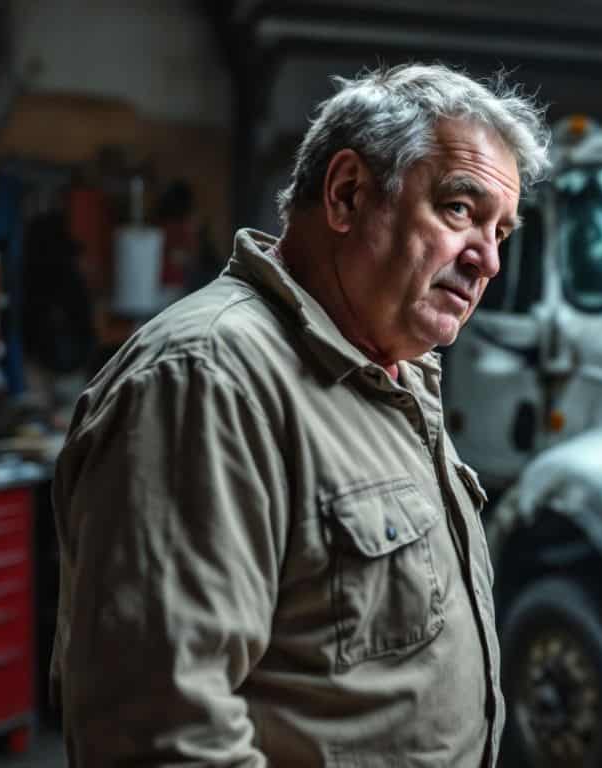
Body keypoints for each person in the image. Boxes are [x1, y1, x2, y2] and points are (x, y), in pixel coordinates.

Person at [51, 63, 550, 766]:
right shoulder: (210, 379)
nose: (488, 261)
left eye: (501, 231)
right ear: (346, 194)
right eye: (460, 210)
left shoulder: (391, 378)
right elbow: (166, 736)